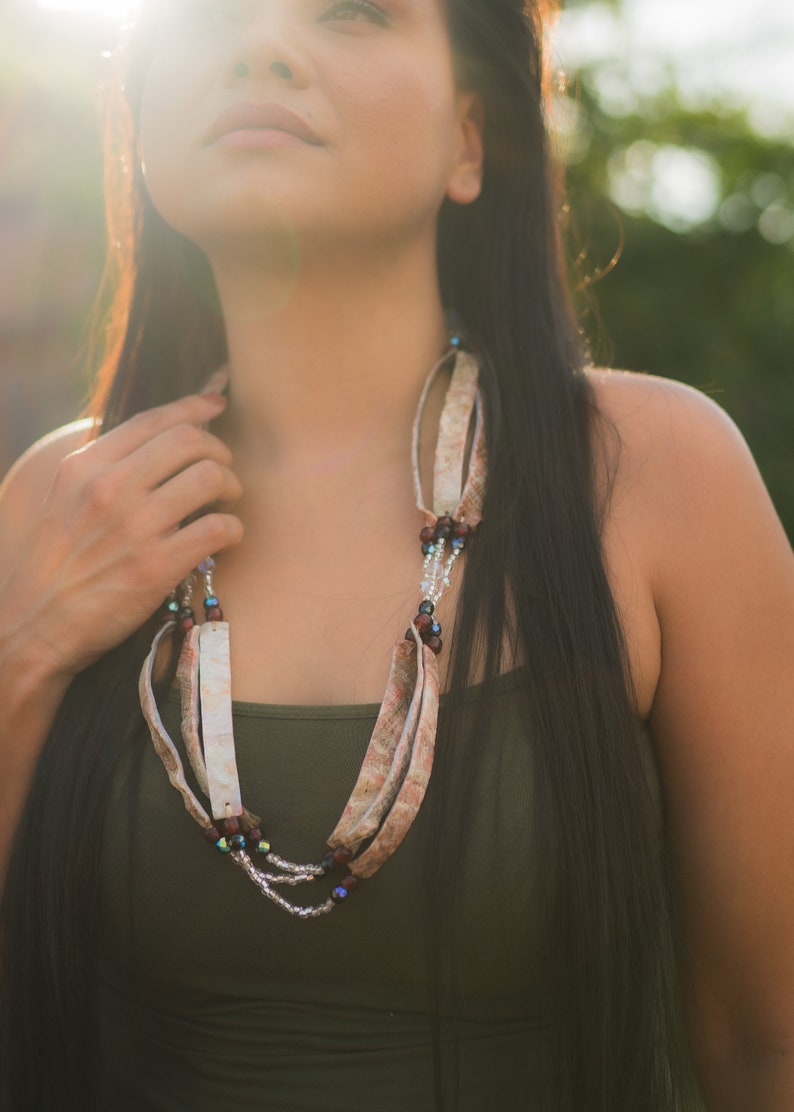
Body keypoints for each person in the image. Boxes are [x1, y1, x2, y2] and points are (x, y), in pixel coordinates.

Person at [0, 0, 792, 1108]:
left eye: (353, 13)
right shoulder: (57, 501)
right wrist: (24, 648)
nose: (263, 45)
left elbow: (766, 1041)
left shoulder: (655, 475)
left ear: (470, 139)